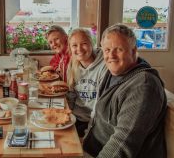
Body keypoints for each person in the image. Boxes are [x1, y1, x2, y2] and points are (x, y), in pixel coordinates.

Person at [83, 23, 167, 158]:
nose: (111, 55)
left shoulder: (143, 86)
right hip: (93, 148)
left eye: (119, 49)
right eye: (107, 50)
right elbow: (96, 120)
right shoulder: (113, 73)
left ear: (134, 51)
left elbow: (122, 144)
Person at [66, 28, 106, 138]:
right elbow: (71, 95)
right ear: (70, 47)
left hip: (95, 123)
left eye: (84, 43)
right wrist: (67, 116)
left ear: (91, 43)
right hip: (76, 119)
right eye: (74, 45)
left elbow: (101, 104)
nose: (79, 49)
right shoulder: (71, 65)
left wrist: (88, 134)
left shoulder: (104, 65)